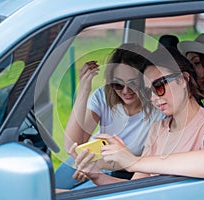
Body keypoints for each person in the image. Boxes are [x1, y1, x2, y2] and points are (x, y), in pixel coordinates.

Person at [70, 47, 204, 186]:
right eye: (148, 91)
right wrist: (96, 175)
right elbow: (135, 189)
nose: (154, 98)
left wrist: (133, 161)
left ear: (183, 79)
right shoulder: (159, 129)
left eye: (159, 86)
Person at [55, 43, 164, 189]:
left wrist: (101, 165)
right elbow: (72, 145)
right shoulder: (103, 96)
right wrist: (84, 88)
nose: (125, 91)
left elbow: (145, 164)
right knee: (49, 190)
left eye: (133, 83)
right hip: (90, 157)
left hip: (118, 170)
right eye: (118, 84)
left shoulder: (159, 108)